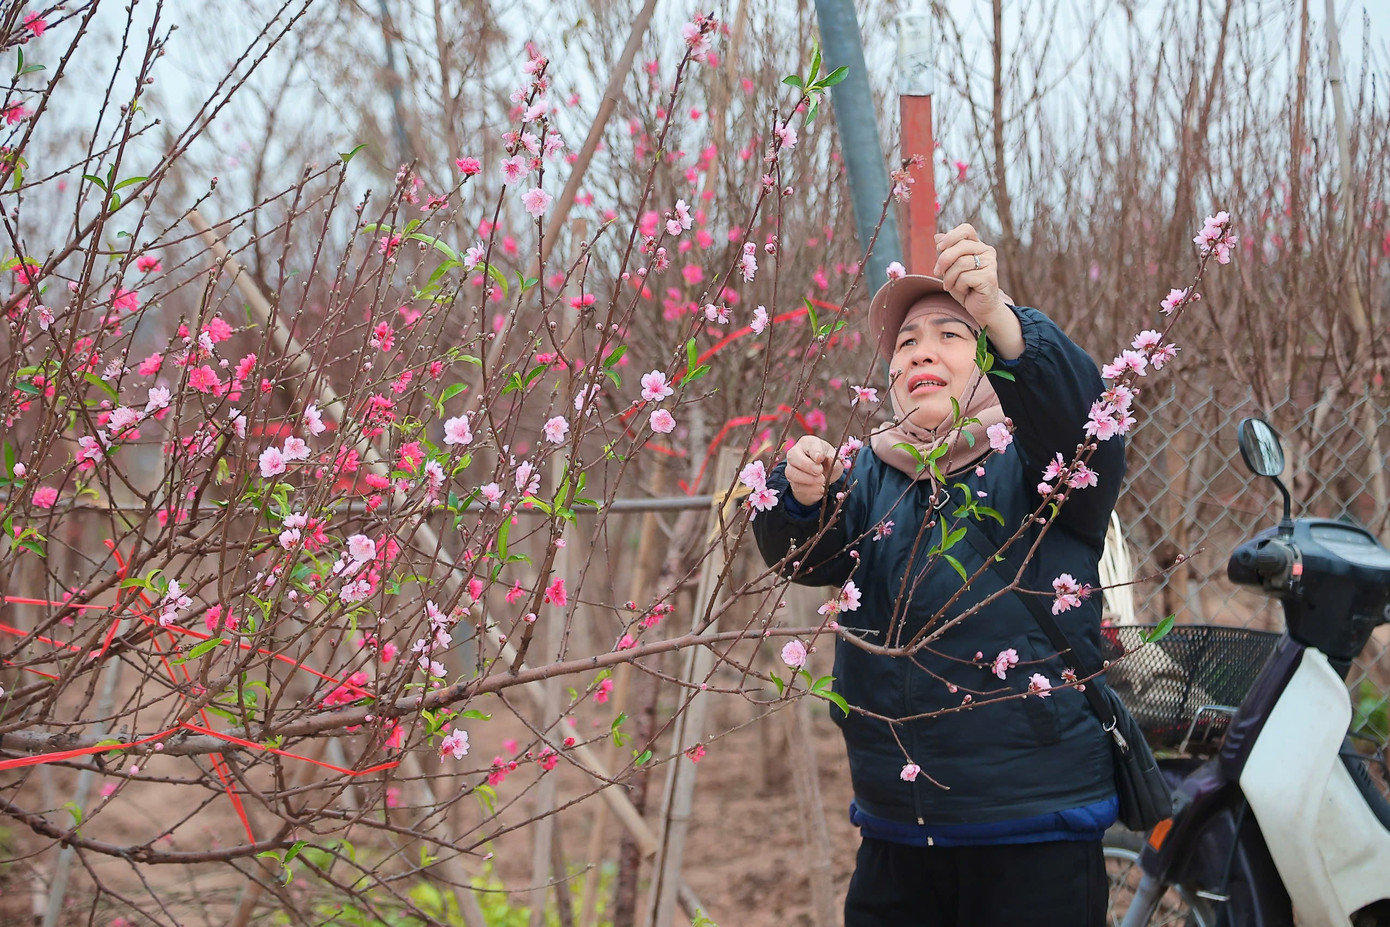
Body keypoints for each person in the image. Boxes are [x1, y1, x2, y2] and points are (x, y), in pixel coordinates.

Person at [753, 224, 1126, 926]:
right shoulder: (864, 476)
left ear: (990, 359)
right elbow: (800, 557)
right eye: (905, 342)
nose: (922, 348)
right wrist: (799, 494)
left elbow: (1090, 426)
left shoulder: (1040, 467)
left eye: (951, 334)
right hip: (898, 828)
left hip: (1033, 824)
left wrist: (1006, 319)